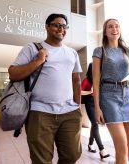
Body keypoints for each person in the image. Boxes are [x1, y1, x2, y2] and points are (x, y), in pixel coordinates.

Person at [8, 13, 82, 164]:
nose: (61, 29)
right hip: (40, 112)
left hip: (69, 112)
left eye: (64, 26)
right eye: (56, 25)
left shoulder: (72, 53)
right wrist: (39, 60)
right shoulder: (33, 48)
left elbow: (76, 79)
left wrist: (77, 106)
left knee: (72, 155)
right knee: (41, 160)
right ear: (47, 26)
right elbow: (13, 73)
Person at [92, 19, 129, 164]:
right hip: (108, 97)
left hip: (127, 95)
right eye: (110, 27)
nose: (114, 29)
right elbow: (95, 81)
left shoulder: (128, 50)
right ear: (105, 31)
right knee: (122, 149)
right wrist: (97, 108)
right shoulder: (100, 51)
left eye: (117, 26)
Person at [81, 63, 110, 160]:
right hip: (89, 103)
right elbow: (79, 92)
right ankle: (102, 150)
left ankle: (90, 144)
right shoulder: (86, 80)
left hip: (98, 104)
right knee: (95, 124)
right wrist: (90, 91)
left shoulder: (99, 80)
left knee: (94, 124)